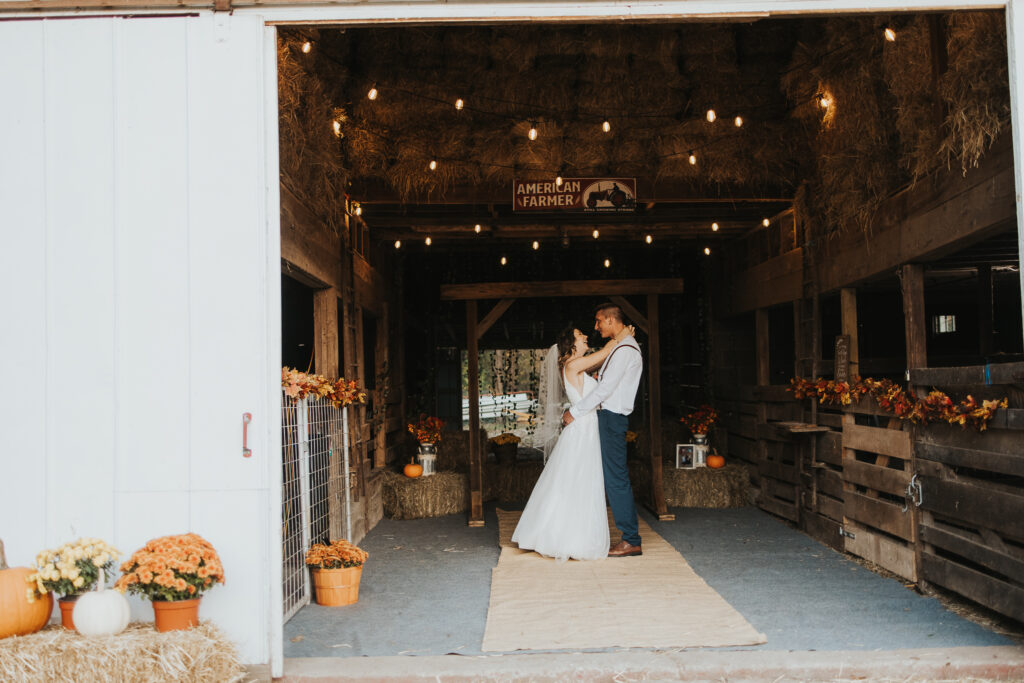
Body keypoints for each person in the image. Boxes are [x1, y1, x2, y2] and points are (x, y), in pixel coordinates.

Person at [511, 324, 634, 562]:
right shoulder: (573, 364)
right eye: (580, 335)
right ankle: (566, 536)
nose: (586, 336)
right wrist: (623, 333)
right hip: (582, 429)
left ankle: (569, 532)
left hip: (586, 427)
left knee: (578, 480)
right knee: (578, 480)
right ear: (572, 343)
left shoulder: (580, 367)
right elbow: (608, 350)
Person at [562, 304, 644, 557]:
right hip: (607, 417)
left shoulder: (625, 350)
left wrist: (574, 412)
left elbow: (604, 390)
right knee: (610, 476)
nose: (596, 327)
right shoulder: (621, 346)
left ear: (610, 320)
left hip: (611, 418)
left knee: (616, 479)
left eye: (599, 321)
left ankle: (631, 539)